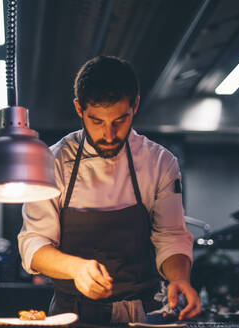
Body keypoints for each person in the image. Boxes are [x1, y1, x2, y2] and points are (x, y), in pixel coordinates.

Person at [18, 56, 200, 323]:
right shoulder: (51, 162)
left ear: (135, 105)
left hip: (144, 313)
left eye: (120, 120)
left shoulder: (159, 162)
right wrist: (76, 268)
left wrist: (179, 278)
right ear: (79, 109)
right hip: (72, 316)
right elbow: (33, 243)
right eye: (97, 121)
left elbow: (170, 235)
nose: (109, 134)